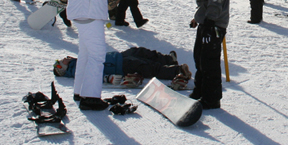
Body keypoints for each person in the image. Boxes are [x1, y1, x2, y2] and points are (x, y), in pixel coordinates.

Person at [63, 0, 112, 110]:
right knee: (97, 55)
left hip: (86, 13)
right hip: (89, 14)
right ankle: (90, 97)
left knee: (86, 54)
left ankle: (80, 91)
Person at [189, 0, 231, 110]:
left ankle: (211, 99)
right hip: (206, 20)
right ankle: (200, 90)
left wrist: (210, 23)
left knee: (209, 61)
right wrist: (197, 18)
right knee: (199, 56)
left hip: (214, 23)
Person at [54, 46, 191, 90]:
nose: (63, 59)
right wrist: (108, 78)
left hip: (118, 57)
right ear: (63, 70)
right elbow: (93, 75)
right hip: (119, 66)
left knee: (140, 52)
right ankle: (177, 71)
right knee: (145, 66)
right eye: (60, 63)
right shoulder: (77, 70)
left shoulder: (77, 61)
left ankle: (168, 59)